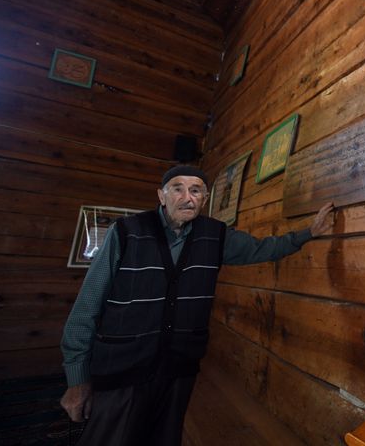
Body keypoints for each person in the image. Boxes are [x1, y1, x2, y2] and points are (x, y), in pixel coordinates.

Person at [59, 165, 335, 445]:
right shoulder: (126, 232)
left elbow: (264, 248)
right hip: (122, 370)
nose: (187, 198)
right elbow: (87, 306)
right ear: (161, 196)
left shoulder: (215, 235)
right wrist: (77, 377)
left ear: (204, 199)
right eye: (177, 189)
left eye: (195, 191)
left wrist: (308, 233)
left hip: (177, 370)